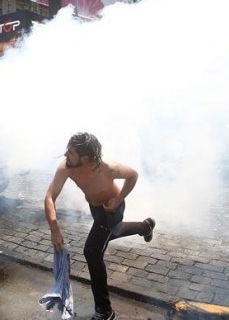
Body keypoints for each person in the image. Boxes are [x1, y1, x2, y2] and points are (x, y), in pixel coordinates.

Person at [44, 132, 155, 320]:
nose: (66, 155)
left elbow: (133, 175)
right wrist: (54, 229)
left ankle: (105, 311)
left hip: (112, 209)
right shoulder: (67, 167)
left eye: (71, 152)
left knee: (92, 251)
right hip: (96, 209)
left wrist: (118, 199)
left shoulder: (107, 168)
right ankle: (146, 226)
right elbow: (49, 197)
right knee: (113, 232)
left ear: (85, 158)